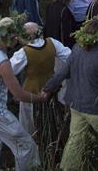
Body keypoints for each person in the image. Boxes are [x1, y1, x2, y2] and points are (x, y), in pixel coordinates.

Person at [42, 14, 98, 171]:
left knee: (75, 138)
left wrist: (47, 89)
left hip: (75, 104)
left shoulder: (76, 49)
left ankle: (67, 168)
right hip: (96, 107)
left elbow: (62, 73)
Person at [8, 22, 72, 168]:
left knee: (29, 128)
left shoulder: (24, 53)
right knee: (52, 122)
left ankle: (35, 157)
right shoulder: (52, 43)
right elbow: (69, 56)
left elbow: (9, 70)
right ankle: (53, 151)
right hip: (51, 92)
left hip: (31, 95)